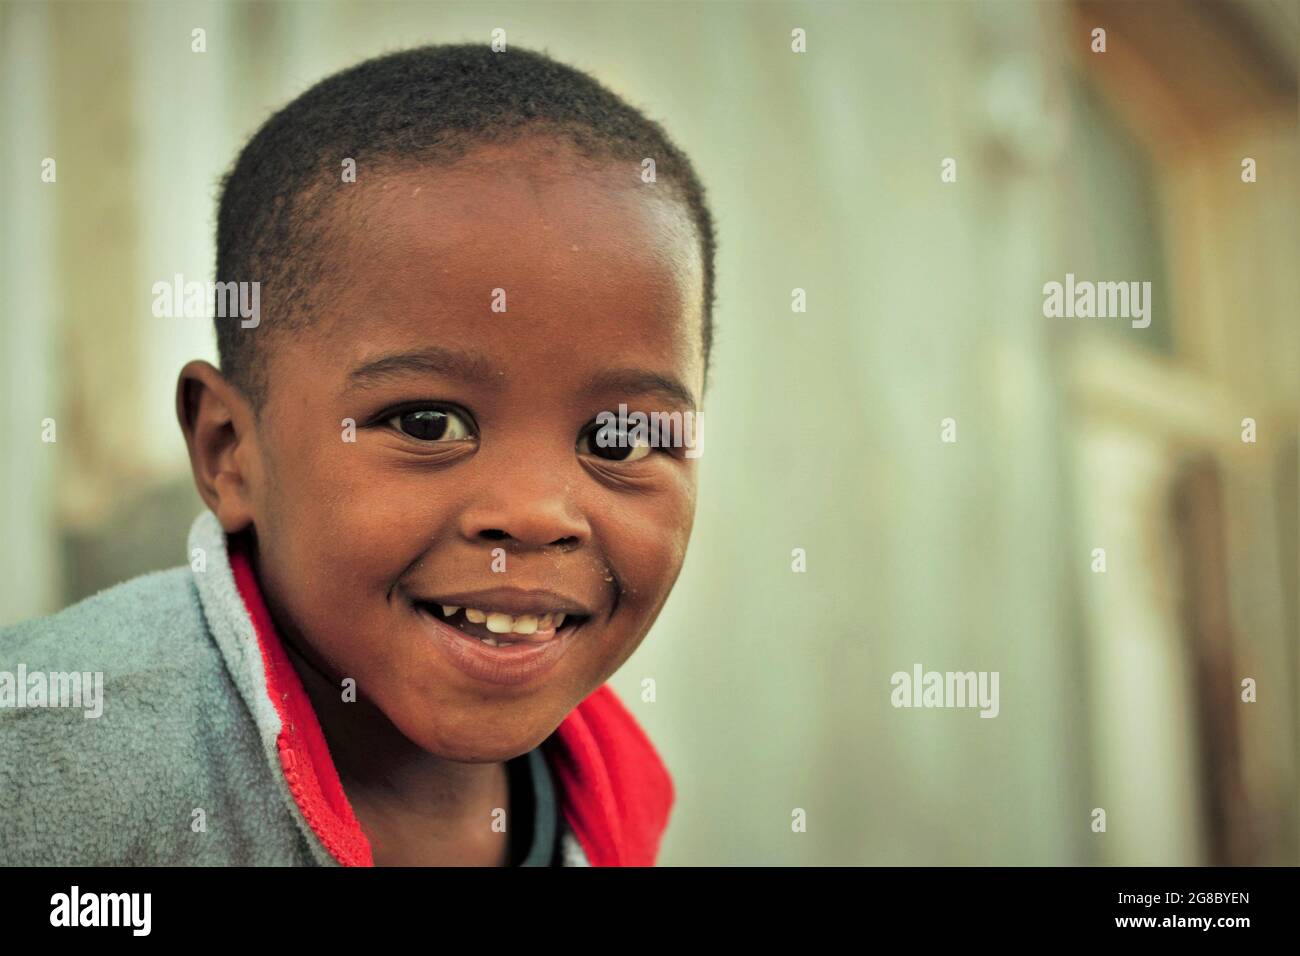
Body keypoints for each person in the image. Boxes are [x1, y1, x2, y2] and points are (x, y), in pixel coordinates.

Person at [0, 42, 718, 866]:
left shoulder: (610, 802)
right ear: (230, 451)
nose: (533, 514)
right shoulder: (52, 777)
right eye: (426, 424)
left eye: (620, 437)